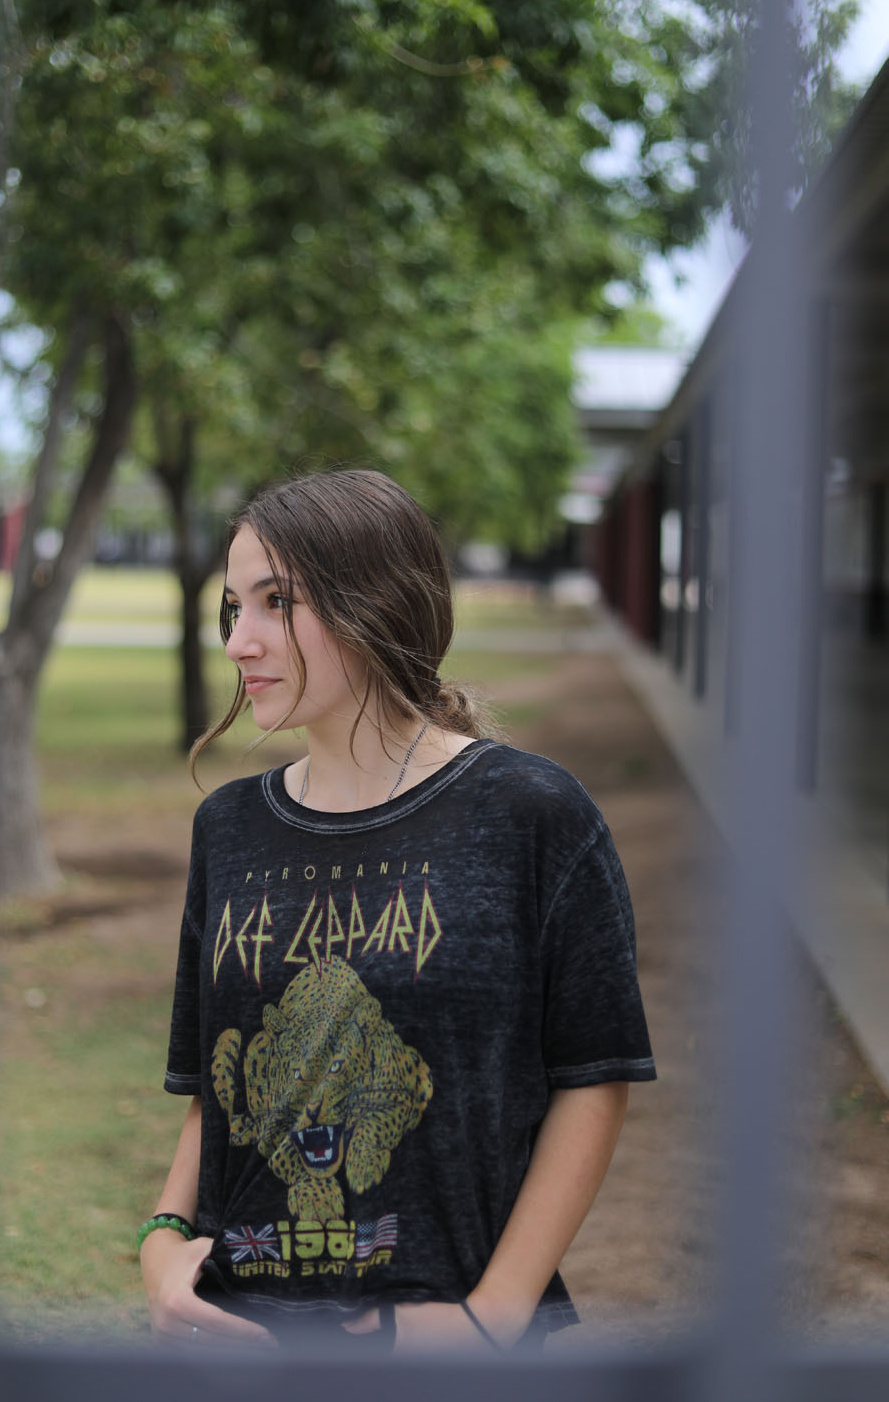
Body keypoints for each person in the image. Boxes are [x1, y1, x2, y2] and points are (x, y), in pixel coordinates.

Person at [138, 469, 655, 1353]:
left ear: (373, 603)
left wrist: (488, 1319)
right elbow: (211, 1094)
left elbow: (594, 1081)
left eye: (276, 602)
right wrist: (161, 1244)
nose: (239, 641)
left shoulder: (532, 815)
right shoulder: (226, 828)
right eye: (233, 607)